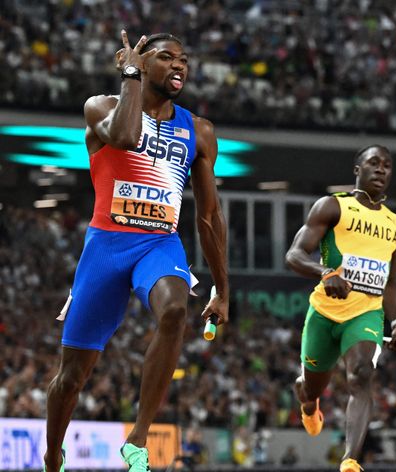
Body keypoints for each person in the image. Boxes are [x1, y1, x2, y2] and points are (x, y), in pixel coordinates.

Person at [42, 31, 228, 472]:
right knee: (72, 378)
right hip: (107, 244)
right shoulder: (101, 107)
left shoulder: (199, 131)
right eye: (166, 58)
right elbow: (124, 137)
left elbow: (209, 216)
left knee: (173, 312)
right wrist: (129, 74)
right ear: (142, 65)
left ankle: (139, 440)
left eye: (184, 59)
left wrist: (222, 287)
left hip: (159, 242)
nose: (179, 66)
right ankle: (52, 455)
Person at [285, 145, 396, 472]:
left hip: (366, 312)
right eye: (374, 163)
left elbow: (391, 281)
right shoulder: (332, 207)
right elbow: (294, 255)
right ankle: (308, 400)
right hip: (325, 313)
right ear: (358, 169)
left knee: (362, 374)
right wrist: (326, 273)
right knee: (312, 386)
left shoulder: (395, 223)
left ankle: (350, 460)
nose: (381, 170)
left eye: (387, 165)